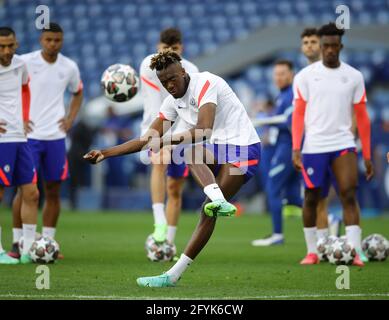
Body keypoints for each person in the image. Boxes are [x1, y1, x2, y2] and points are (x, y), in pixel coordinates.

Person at [84, 51, 261, 287]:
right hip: (221, 148)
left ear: (184, 73)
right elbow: (147, 139)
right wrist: (105, 153)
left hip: (244, 149)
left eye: (172, 79)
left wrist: (166, 141)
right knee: (202, 194)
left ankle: (215, 203)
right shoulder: (172, 102)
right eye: (164, 82)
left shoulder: (206, 82)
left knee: (194, 162)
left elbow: (204, 130)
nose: (169, 85)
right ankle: (174, 273)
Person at [292, 23, 374, 266]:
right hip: (314, 146)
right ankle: (313, 251)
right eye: (325, 45)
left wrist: (367, 154)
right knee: (311, 197)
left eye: (333, 46)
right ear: (322, 46)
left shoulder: (354, 76)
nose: (328, 50)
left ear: (340, 46)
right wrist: (296, 147)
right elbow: (298, 114)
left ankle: (355, 252)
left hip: (343, 144)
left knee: (349, 194)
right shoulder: (305, 76)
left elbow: (362, 117)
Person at [8, 23, 83, 259]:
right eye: (49, 40)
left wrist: (70, 118)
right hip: (28, 137)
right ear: (41, 40)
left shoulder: (69, 67)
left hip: (56, 138)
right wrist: (18, 117)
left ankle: (48, 242)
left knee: (53, 191)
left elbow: (78, 91)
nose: (53, 44)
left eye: (57, 40)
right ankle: (18, 243)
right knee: (26, 191)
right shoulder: (24, 62)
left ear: (62, 41)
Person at [139, 28, 198, 245]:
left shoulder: (191, 70)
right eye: (165, 48)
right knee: (159, 162)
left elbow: (190, 111)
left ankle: (169, 242)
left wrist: (176, 140)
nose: (169, 53)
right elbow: (156, 105)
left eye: (174, 49)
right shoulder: (148, 65)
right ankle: (159, 222)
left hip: (181, 130)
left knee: (175, 187)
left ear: (180, 48)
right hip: (155, 125)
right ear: (158, 47)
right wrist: (161, 140)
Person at [251, 60, 302, 246]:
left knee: (273, 187)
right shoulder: (282, 95)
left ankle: (277, 234)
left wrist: (261, 120)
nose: (278, 77)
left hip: (288, 148)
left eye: (282, 73)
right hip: (284, 146)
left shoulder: (290, 95)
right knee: (293, 195)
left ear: (292, 74)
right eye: (276, 74)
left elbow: (288, 121)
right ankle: (329, 219)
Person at [0, 26, 39, 264]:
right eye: (1, 46)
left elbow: (25, 88)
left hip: (19, 138)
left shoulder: (20, 65)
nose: (6, 51)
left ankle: (28, 249)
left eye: (10, 46)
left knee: (32, 193)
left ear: (16, 44)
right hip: (1, 140)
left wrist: (24, 116)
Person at [300, 27, 342, 240]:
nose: (310, 46)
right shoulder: (302, 77)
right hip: (310, 144)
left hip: (334, 141)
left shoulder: (335, 73)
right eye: (306, 42)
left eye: (313, 42)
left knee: (344, 193)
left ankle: (346, 240)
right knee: (315, 196)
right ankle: (323, 242)